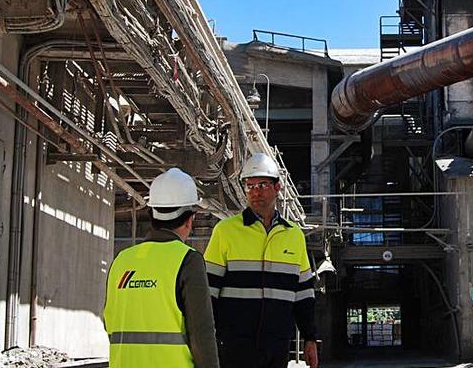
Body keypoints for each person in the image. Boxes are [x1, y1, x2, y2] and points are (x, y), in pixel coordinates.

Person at [205, 152, 318, 368]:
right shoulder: (225, 231)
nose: (255, 192)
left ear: (277, 188)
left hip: (277, 345)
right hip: (234, 346)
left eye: (263, 185)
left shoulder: (294, 236)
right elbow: (208, 292)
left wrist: (309, 338)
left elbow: (304, 295)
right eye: (250, 186)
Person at [104, 168, 219, 368]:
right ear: (190, 219)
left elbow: (109, 322)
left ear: (152, 214)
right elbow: (202, 334)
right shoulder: (188, 260)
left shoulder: (122, 260)